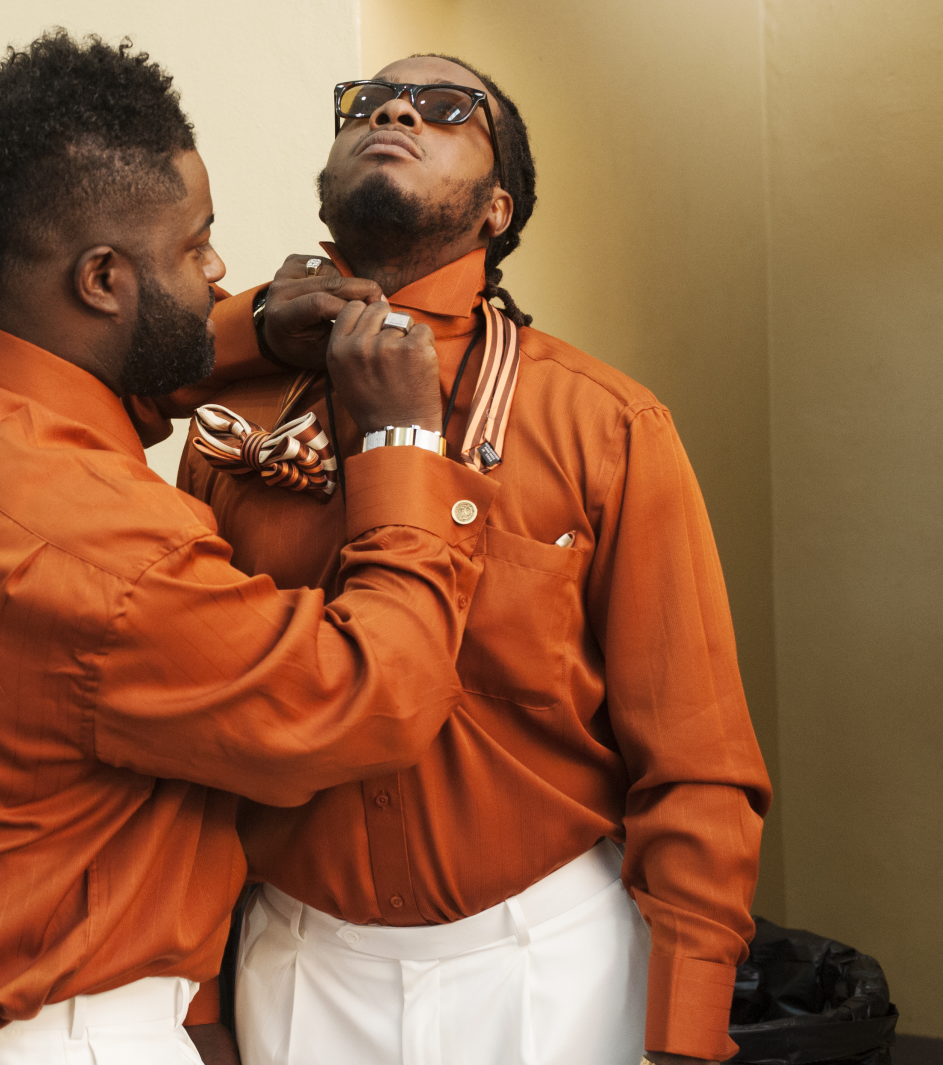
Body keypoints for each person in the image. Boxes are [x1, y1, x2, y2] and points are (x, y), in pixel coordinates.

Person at [0, 32, 505, 1065]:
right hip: (54, 1035)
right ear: (101, 279)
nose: (219, 266)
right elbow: (367, 697)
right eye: (194, 246)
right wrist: (399, 441)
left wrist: (251, 325)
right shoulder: (113, 557)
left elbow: (81, 388)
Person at [158, 54, 774, 1065]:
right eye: (364, 104)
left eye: (449, 110)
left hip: (549, 966)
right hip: (299, 968)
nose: (393, 108)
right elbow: (189, 756)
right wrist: (196, 1008)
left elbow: (695, 756)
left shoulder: (604, 424)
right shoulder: (238, 421)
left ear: (496, 209)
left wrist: (688, 1030)